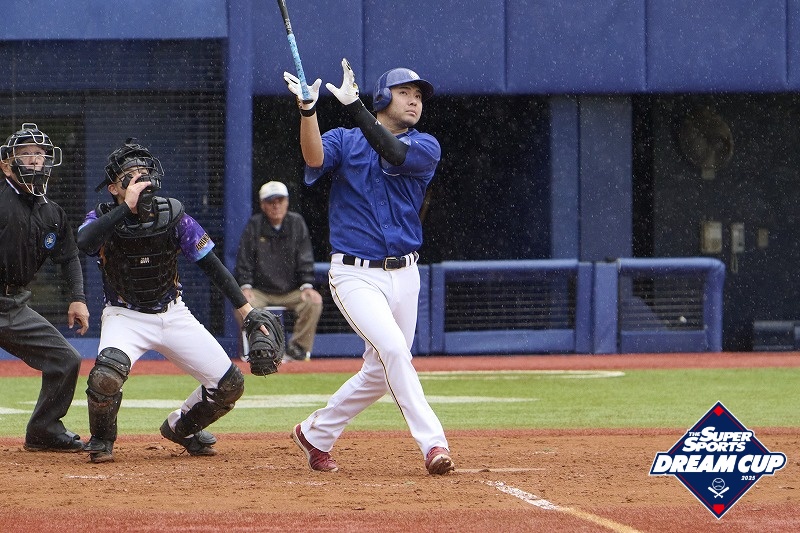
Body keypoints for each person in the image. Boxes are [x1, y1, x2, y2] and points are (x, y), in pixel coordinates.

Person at [282, 59, 454, 475]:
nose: (414, 101)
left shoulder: (426, 146)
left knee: (379, 372)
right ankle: (433, 443)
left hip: (405, 274)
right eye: (404, 93)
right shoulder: (346, 139)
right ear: (382, 98)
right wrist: (308, 110)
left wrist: (354, 106)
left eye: (418, 96)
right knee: (394, 350)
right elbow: (314, 157)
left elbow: (393, 152)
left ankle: (314, 433)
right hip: (355, 273)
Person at [76, 138, 265, 463]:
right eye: (128, 175)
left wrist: (247, 312)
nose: (139, 178)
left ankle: (182, 427)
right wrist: (125, 208)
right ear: (113, 188)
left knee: (230, 386)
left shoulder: (174, 215)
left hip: (172, 312)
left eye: (143, 172)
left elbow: (213, 267)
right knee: (106, 377)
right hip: (124, 315)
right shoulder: (102, 216)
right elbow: (84, 242)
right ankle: (102, 439)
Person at [0, 123, 90, 452]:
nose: (35, 159)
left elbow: (69, 257)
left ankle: (43, 430)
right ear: (6, 165)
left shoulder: (52, 213)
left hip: (13, 305)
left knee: (66, 360)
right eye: (26, 153)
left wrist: (77, 298)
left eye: (40, 154)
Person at [235, 180, 322, 362]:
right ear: (262, 205)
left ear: (287, 202)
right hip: (261, 292)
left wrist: (307, 285)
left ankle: (298, 348)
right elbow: (244, 260)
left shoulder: (296, 223)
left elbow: (305, 258)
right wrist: (246, 286)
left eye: (280, 200)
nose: (276, 206)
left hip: (291, 291)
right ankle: (263, 348)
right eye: (270, 201)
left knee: (314, 301)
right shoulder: (254, 225)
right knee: (241, 303)